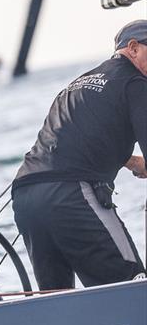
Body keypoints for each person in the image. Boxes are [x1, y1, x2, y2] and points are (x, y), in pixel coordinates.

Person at [12, 20, 147, 289]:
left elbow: (79, 137)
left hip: (25, 197)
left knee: (57, 300)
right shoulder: (137, 83)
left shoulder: (79, 83)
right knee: (133, 289)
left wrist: (132, 162)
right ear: (133, 48)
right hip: (72, 195)